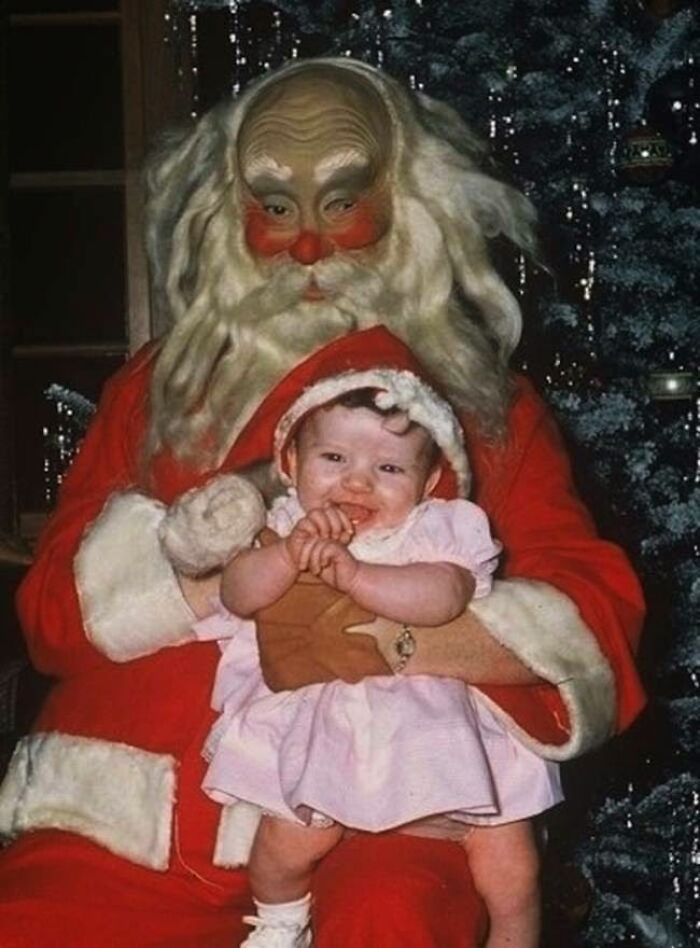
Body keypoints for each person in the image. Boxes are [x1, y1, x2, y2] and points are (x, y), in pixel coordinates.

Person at [0, 57, 645, 947]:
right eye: (275, 208)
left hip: (382, 808)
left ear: (410, 206)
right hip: (136, 809)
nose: (310, 245)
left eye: (342, 202)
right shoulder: (154, 393)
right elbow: (49, 617)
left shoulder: (482, 407)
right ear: (231, 218)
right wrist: (209, 573)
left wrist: (401, 639)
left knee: (397, 921)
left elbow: (591, 614)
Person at [196, 327, 560, 948]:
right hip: (332, 727)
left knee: (512, 863)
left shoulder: (438, 528)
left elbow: (446, 597)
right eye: (333, 459)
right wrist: (289, 555)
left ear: (427, 484)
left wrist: (359, 575)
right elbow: (238, 594)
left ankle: (513, 937)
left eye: (388, 468)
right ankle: (281, 922)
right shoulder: (282, 527)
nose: (357, 483)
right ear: (290, 465)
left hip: (439, 724)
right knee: (286, 844)